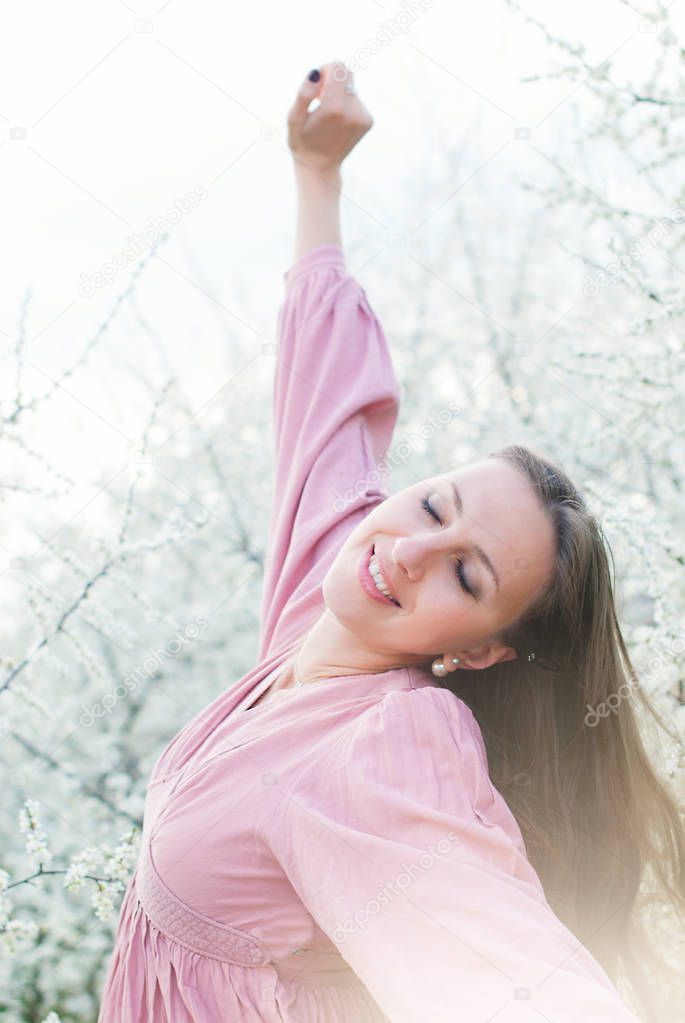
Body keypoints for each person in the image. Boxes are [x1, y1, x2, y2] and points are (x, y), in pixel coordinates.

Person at [98, 63, 684, 1023]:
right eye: (433, 504)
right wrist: (316, 171)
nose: (411, 550)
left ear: (480, 649)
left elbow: (515, 985)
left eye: (465, 571)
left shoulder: (386, 747)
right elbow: (325, 402)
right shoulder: (324, 603)